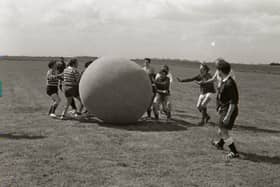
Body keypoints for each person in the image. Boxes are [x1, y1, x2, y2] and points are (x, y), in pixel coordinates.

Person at [211, 60, 240, 159]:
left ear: (220, 71)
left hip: (229, 110)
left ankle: (234, 152)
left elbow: (233, 102)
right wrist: (219, 106)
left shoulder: (229, 83)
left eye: (217, 69)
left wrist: (227, 116)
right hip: (224, 109)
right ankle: (220, 144)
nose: (216, 71)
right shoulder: (224, 81)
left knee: (223, 131)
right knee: (221, 131)